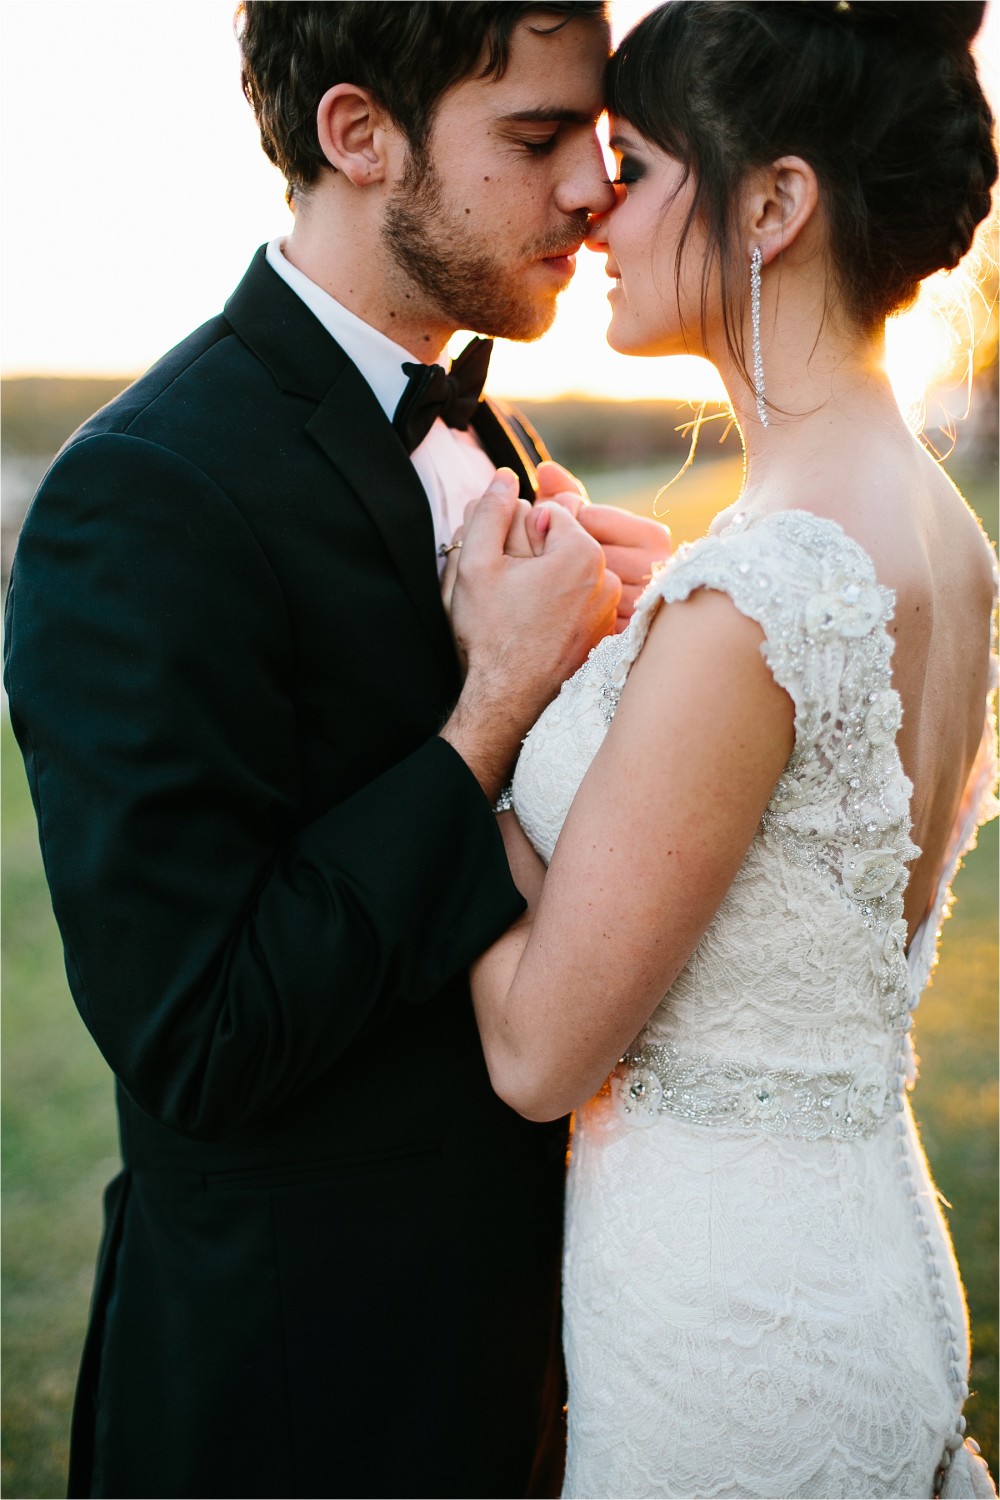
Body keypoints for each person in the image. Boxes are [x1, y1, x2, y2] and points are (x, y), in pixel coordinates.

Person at [2, 4, 672, 1497]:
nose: (595, 189)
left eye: (604, 139)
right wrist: (488, 714)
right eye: (539, 137)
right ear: (358, 135)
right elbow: (200, 1032)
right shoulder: (144, 496)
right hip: (299, 1399)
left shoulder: (489, 441)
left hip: (552, 1372)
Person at [458, 2, 1000, 1495]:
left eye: (633, 163)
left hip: (731, 1340)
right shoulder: (936, 533)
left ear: (775, 204)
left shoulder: (758, 596)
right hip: (855, 1255)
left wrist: (486, 708)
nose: (595, 208)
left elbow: (534, 1050)